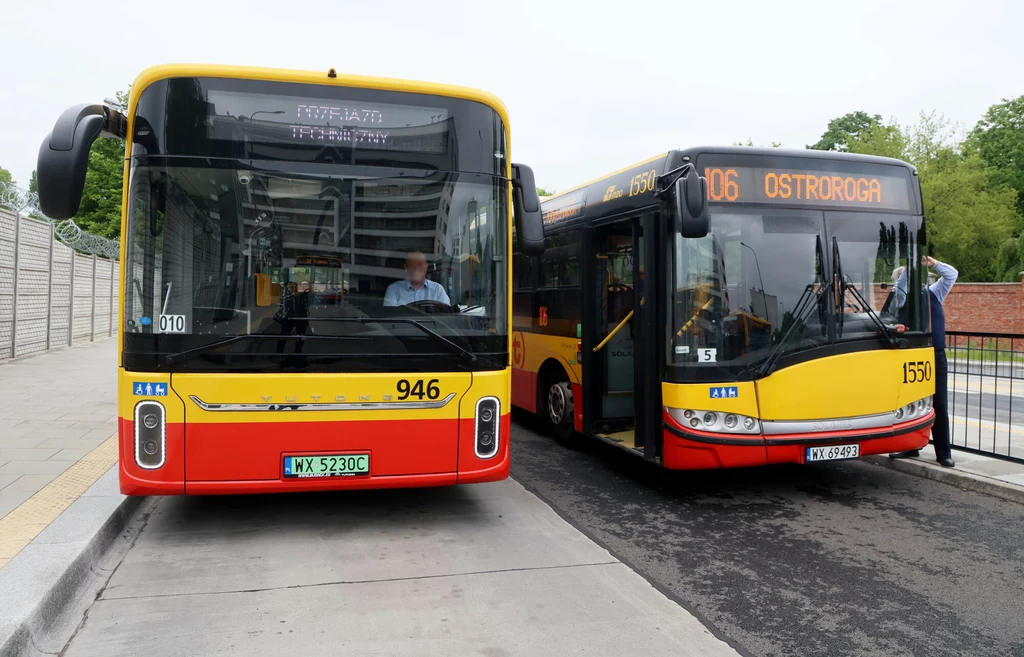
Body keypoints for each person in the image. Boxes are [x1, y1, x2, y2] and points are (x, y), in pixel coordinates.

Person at [890, 255, 958, 467]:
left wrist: (934, 264)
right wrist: (909, 268)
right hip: (912, 355)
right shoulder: (900, 297)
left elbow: (952, 275)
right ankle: (910, 446)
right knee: (912, 402)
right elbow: (901, 287)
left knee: (940, 403)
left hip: (935, 353)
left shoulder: (934, 293)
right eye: (906, 276)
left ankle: (943, 452)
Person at [383, 250, 451, 307]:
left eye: (420, 264)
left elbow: (446, 317)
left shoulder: (437, 290)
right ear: (406, 267)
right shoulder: (394, 290)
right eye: (412, 265)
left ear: (426, 266)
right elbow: (390, 318)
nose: (416, 268)